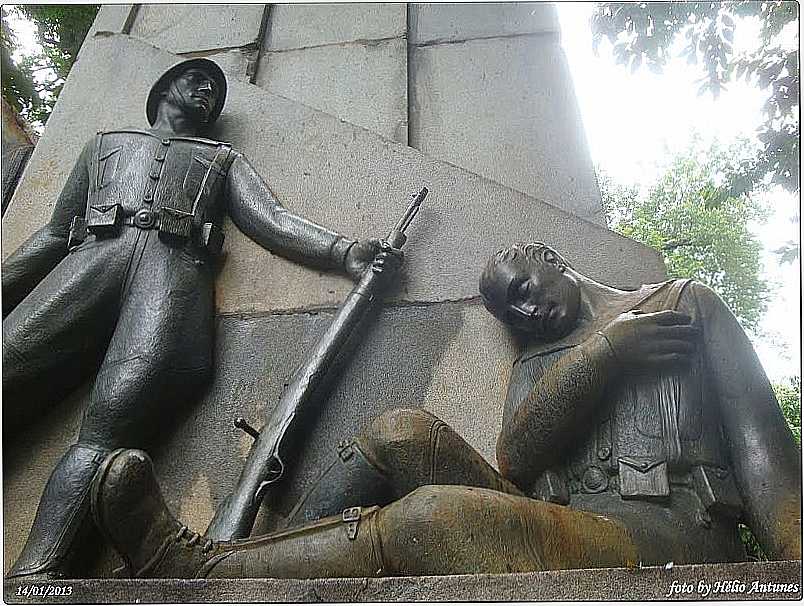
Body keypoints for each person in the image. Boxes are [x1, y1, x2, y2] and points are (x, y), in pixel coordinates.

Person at [88, 242, 801, 578]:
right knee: (401, 431)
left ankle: (207, 575)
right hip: (569, 527)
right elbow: (516, 461)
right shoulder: (544, 360)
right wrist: (602, 356)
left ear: (554, 257)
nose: (526, 308)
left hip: (668, 545)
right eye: (510, 308)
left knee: (432, 514)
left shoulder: (684, 306)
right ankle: (248, 567)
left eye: (525, 287)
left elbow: (767, 456)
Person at [3, 58, 388, 580]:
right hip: (89, 264)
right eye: (196, 81)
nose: (208, 91)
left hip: (169, 282)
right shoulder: (103, 145)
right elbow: (52, 235)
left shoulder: (222, 161)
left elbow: (268, 218)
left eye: (216, 89)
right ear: (163, 90)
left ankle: (35, 577)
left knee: (107, 431)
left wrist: (342, 251)